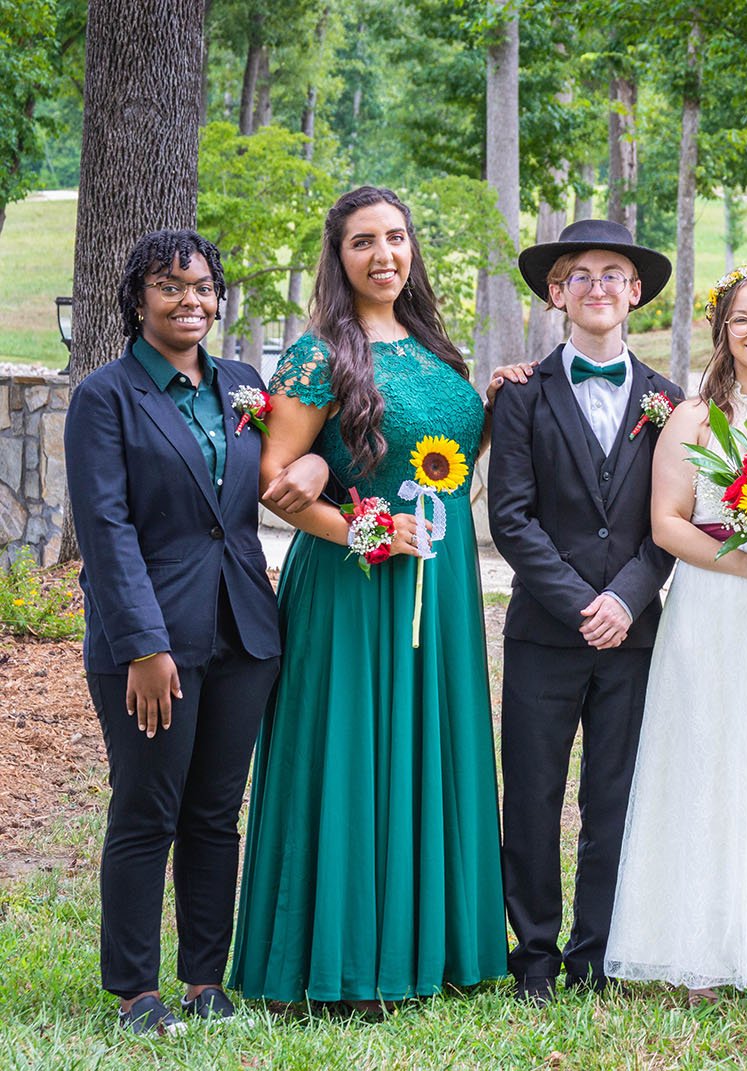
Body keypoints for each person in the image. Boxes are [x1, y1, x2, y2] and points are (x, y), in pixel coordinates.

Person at [229, 186, 506, 1012]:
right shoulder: (318, 354)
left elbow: (441, 450)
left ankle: (437, 944)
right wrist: (363, 531)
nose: (384, 255)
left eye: (395, 238)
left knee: (432, 748)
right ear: (338, 256)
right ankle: (344, 956)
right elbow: (276, 481)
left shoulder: (433, 348)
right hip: (354, 584)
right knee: (350, 753)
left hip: (442, 583)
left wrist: (498, 399)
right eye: (363, 242)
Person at [65, 229, 304, 1034]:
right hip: (151, 643)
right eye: (171, 287)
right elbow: (105, 527)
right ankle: (136, 988)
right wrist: (142, 645)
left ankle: (206, 978)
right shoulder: (106, 397)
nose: (191, 300)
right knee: (147, 809)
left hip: (244, 632)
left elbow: (287, 465)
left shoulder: (241, 384)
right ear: (138, 300)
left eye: (203, 287)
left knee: (214, 812)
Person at [604, 265, 747, 1003]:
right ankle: (701, 941)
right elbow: (666, 522)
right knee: (710, 756)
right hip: (714, 606)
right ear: (721, 332)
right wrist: (741, 560)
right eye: (741, 319)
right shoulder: (694, 416)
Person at [488, 218, 682, 1006]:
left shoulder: (672, 401)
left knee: (614, 793)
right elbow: (511, 517)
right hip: (545, 630)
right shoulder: (522, 394)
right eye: (580, 275)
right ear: (555, 294)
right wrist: (581, 604)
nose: (597, 286)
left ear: (635, 293)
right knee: (531, 792)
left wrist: (627, 598)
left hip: (635, 637)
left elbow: (673, 520)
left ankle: (595, 948)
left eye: (613, 274)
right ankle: (533, 950)